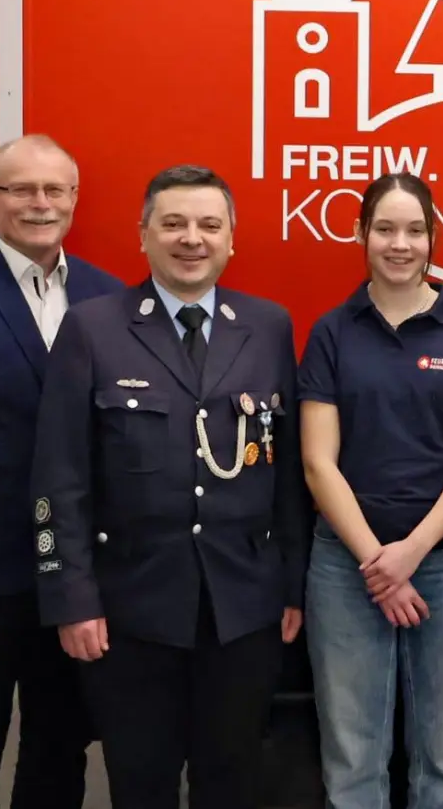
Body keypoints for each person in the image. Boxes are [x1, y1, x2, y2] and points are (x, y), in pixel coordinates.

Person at [30, 164, 309, 809]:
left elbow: (287, 473)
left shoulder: (268, 326)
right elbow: (58, 477)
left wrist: (293, 586)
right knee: (141, 782)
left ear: (231, 238)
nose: (192, 238)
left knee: (232, 780)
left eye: (210, 225)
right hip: (130, 609)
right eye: (174, 223)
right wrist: (71, 597)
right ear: (144, 236)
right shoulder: (94, 327)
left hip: (243, 608)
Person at [0, 134, 119, 809]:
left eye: (54, 190)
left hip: (69, 577)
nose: (40, 204)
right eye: (20, 189)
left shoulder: (108, 296)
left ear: (73, 198)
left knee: (59, 749)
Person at [298, 173, 443, 808]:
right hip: (344, 565)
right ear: (360, 234)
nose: (399, 244)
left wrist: (410, 552)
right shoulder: (332, 331)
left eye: (415, 230)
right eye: (385, 229)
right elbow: (317, 463)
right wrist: (375, 561)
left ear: (435, 238)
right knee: (353, 755)